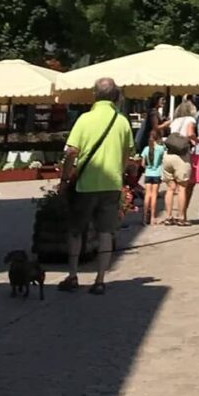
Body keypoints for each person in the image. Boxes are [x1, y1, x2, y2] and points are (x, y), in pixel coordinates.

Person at [58, 77, 133, 293]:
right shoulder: (122, 121)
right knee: (105, 233)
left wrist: (64, 179)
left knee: (76, 231)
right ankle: (100, 280)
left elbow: (72, 151)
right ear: (115, 96)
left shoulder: (84, 119)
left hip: (85, 184)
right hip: (111, 185)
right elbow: (127, 154)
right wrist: (119, 171)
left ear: (95, 95)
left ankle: (73, 275)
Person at [139, 126, 166, 224]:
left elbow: (142, 163)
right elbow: (164, 159)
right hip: (157, 174)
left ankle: (144, 217)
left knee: (147, 195)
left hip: (148, 173)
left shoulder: (146, 149)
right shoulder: (161, 148)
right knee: (154, 195)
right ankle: (153, 217)